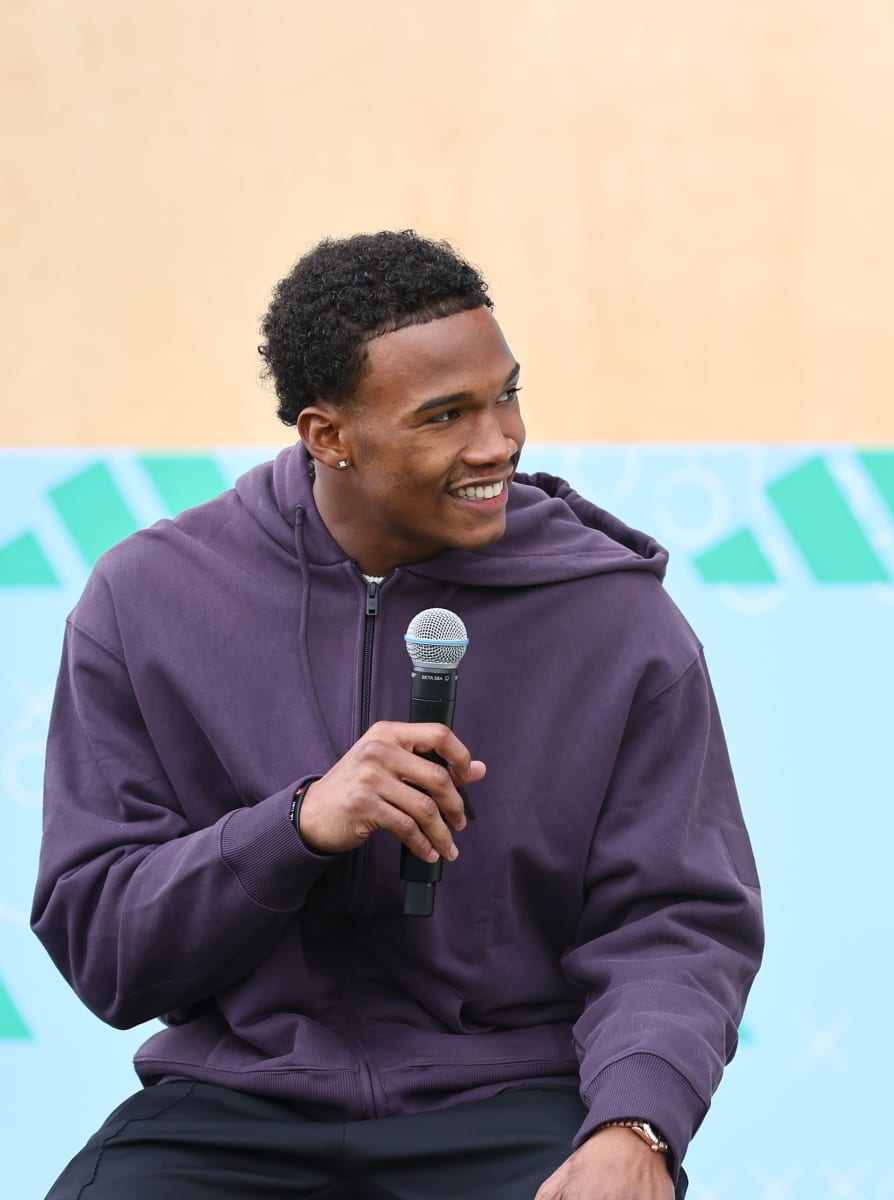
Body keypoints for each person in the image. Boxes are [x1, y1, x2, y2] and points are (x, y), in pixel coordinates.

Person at [32, 231, 763, 1200]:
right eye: (444, 416)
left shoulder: (614, 615)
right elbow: (104, 944)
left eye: (506, 394)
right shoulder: (149, 599)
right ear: (327, 436)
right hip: (236, 1103)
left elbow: (677, 922)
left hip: (514, 1094)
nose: (497, 441)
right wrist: (294, 829)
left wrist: (638, 1123)